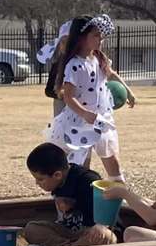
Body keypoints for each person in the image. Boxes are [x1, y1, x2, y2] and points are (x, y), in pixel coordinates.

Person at [46, 14, 136, 180]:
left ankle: (119, 193)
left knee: (112, 161)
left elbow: (111, 74)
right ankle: (72, 198)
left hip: (101, 119)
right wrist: (85, 114)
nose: (100, 39)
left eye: (101, 36)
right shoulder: (74, 65)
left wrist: (128, 91)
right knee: (78, 165)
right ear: (81, 38)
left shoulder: (99, 59)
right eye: (95, 35)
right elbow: (68, 97)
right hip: (80, 122)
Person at [24, 142, 117, 246]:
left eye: (40, 179)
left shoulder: (88, 180)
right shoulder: (57, 181)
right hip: (68, 232)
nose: (37, 183)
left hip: (91, 231)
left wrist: (100, 225)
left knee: (106, 237)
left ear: (57, 175)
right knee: (31, 229)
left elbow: (109, 208)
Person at [37, 21, 71, 118]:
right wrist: (61, 94)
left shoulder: (82, 64)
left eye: (69, 42)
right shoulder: (57, 64)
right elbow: (48, 90)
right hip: (61, 110)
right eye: (63, 42)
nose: (66, 46)